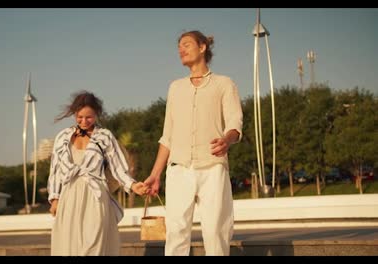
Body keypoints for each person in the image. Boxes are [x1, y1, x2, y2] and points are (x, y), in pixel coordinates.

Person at [144, 30, 243, 256]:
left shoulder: (224, 84)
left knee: (216, 230)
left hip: (213, 167)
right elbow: (167, 136)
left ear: (202, 47)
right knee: (176, 232)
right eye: (179, 46)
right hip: (179, 169)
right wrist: (155, 174)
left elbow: (235, 124)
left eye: (186, 44)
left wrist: (227, 140)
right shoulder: (175, 88)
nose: (181, 49)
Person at [47, 91, 147, 256]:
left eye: (89, 117)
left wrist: (134, 185)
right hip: (69, 197)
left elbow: (118, 167)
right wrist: (55, 198)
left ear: (97, 115)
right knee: (69, 246)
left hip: (95, 197)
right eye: (80, 117)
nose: (84, 121)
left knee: (93, 246)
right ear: (74, 114)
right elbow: (56, 170)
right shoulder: (62, 137)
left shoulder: (105, 136)